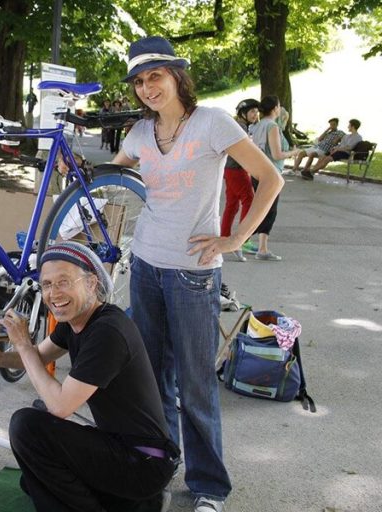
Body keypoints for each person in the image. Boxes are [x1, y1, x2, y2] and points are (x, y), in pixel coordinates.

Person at [111, 36, 284, 512]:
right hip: (145, 265)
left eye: (156, 77)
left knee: (196, 384)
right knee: (152, 379)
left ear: (176, 77)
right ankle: (159, 468)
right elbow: (112, 172)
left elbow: (271, 179)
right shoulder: (141, 133)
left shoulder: (212, 122)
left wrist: (235, 238)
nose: (148, 88)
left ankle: (209, 487)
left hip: (193, 274)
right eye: (140, 81)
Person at [0, 241, 179, 512]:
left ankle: (133, 499)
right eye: (46, 284)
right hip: (122, 450)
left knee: (27, 427)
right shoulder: (77, 321)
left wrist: (21, 343)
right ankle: (140, 505)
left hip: (142, 463)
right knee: (32, 479)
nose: (54, 293)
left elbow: (60, 406)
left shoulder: (108, 333)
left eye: (64, 282)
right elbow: (37, 356)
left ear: (91, 284)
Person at [243, 95, 299, 261]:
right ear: (275, 108)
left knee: (260, 209)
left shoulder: (258, 125)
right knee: (269, 211)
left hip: (256, 171)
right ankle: (261, 248)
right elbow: (277, 154)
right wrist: (294, 153)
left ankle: (247, 242)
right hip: (271, 173)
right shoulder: (272, 126)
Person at [220, 98, 259, 262]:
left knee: (232, 204)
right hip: (236, 169)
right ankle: (242, 240)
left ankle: (224, 237)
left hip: (229, 169)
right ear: (243, 113)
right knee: (249, 200)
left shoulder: (241, 126)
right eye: (252, 111)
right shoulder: (241, 128)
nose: (255, 114)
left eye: (256, 111)